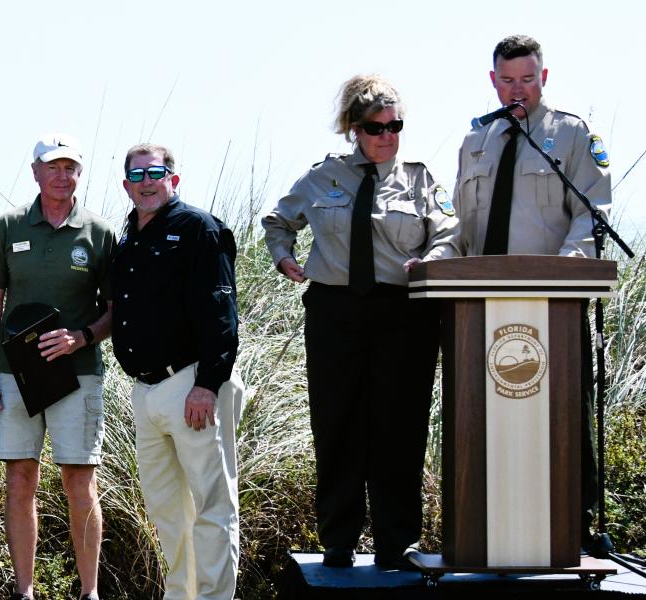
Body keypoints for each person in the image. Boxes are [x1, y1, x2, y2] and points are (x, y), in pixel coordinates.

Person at [261, 74, 457, 570]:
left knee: (400, 427)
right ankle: (339, 540)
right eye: (375, 128)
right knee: (338, 425)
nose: (387, 136)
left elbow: (449, 235)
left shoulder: (419, 178)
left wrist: (429, 260)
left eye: (395, 126)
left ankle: (398, 542)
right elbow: (277, 221)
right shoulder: (322, 176)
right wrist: (284, 257)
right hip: (336, 312)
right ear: (353, 127)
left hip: (404, 314)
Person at [429, 34, 613, 551]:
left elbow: (591, 214)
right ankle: (482, 534)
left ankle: (569, 528)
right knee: (483, 422)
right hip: (476, 313)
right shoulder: (475, 142)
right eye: (507, 81)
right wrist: (437, 262)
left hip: (550, 305)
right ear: (493, 81)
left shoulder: (571, 135)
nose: (518, 90)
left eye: (527, 80)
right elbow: (460, 226)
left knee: (558, 419)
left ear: (544, 78)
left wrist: (569, 268)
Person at [0, 133, 117, 600]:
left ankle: (89, 591)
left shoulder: (99, 231)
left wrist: (83, 337)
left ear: (79, 173)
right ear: (35, 172)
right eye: (51, 167)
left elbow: (116, 308)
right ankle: (25, 591)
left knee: (80, 479)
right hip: (13, 375)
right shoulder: (7, 227)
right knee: (20, 478)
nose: (61, 175)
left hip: (78, 374)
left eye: (70, 167)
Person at [111, 144, 244, 599]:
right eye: (138, 174)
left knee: (212, 504)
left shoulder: (198, 229)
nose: (147, 181)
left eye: (156, 172)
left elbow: (221, 313)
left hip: (193, 383)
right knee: (167, 510)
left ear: (174, 178)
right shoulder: (128, 236)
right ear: (126, 184)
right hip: (146, 392)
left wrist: (208, 385)